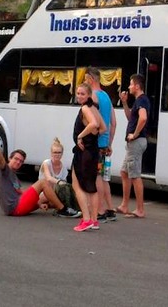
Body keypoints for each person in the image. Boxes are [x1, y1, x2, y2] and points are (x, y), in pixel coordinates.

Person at [0, 126, 79, 218]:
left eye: (21, 161)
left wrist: (39, 204)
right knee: (43, 183)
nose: (18, 162)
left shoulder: (14, 177)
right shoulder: (5, 170)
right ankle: (63, 210)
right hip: (15, 207)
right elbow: (0, 159)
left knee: (48, 198)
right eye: (16, 159)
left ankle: (74, 208)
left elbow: (21, 193)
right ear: (9, 158)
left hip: (20, 205)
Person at [85, 67, 118, 223]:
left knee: (96, 176)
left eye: (85, 79)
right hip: (104, 144)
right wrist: (109, 143)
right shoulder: (106, 96)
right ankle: (110, 209)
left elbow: (94, 122)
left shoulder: (93, 97)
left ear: (91, 79)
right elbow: (114, 123)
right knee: (104, 178)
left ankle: (100, 210)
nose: (84, 83)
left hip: (95, 144)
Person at [71, 83, 103, 232]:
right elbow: (103, 128)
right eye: (78, 93)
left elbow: (94, 124)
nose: (79, 96)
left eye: (82, 94)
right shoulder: (94, 108)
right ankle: (94, 220)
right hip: (93, 151)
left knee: (78, 185)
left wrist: (80, 136)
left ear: (89, 95)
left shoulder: (85, 108)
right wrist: (93, 134)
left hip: (84, 153)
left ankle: (86, 219)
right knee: (92, 186)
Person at [116, 73, 149, 219]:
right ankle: (124, 205)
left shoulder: (142, 100)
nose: (128, 87)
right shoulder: (138, 101)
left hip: (136, 142)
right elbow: (132, 118)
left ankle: (140, 209)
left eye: (130, 84)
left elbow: (143, 118)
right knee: (124, 172)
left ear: (137, 86)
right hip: (133, 143)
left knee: (135, 175)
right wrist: (124, 103)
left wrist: (134, 135)